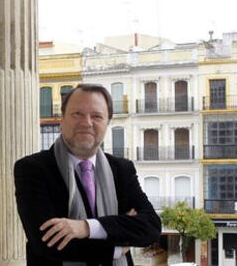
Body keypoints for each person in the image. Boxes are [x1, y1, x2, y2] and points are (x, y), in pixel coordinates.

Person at [14, 84, 161, 266]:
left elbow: (151, 227)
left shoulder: (122, 170)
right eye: (77, 114)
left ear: (107, 123)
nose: (86, 123)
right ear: (62, 120)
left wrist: (85, 228)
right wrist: (117, 247)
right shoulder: (32, 169)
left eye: (97, 116)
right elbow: (46, 243)